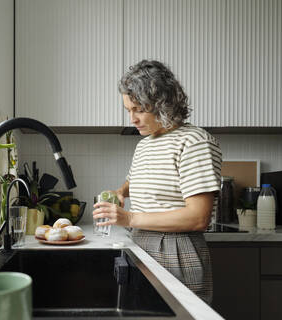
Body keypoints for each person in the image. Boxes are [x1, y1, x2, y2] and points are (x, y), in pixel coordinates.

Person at [93, 59, 222, 304]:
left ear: (164, 104)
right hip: (141, 244)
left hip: (176, 251)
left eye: (139, 109)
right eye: (128, 110)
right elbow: (136, 179)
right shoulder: (145, 144)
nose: (132, 119)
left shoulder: (194, 142)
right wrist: (120, 191)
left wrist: (129, 218)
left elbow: (198, 217)